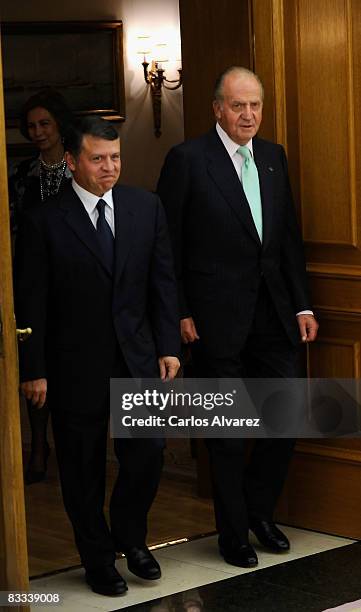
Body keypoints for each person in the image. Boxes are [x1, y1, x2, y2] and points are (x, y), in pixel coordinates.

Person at [157, 66, 318, 569]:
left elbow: (287, 236)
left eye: (255, 105)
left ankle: (258, 512)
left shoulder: (273, 158)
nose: (248, 115)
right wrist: (179, 310)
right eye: (237, 106)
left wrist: (302, 303)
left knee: (285, 416)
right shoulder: (187, 160)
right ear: (217, 109)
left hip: (273, 314)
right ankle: (233, 533)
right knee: (225, 432)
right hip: (212, 320)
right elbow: (168, 247)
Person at [15, 116, 180, 596]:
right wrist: (35, 369)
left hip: (137, 359)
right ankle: (98, 558)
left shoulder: (145, 207)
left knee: (148, 454)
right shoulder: (44, 219)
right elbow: (32, 302)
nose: (110, 167)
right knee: (82, 470)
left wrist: (168, 345)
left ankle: (131, 537)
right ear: (72, 162)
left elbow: (162, 283)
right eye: (98, 158)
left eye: (115, 157)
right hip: (72, 367)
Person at [9, 89, 74, 484]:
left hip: (74, 278)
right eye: (31, 126)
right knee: (34, 363)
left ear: (59, 124)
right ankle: (38, 446)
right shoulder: (22, 175)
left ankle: (68, 444)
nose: (37, 132)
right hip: (34, 279)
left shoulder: (80, 165)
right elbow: (14, 227)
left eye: (44, 124)